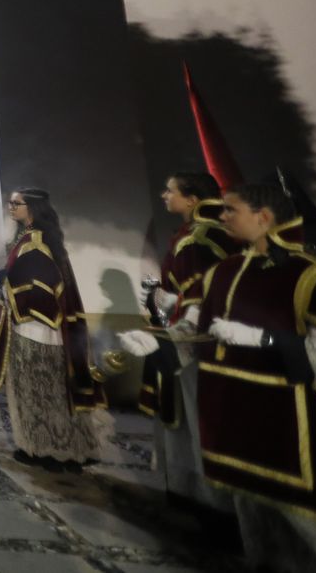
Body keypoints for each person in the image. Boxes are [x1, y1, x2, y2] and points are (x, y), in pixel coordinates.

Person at [195, 182, 316, 573]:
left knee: (315, 538)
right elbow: (205, 339)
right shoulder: (222, 272)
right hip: (236, 424)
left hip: (293, 427)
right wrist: (164, 344)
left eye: (231, 210)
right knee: (256, 530)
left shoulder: (311, 277)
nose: (222, 217)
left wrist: (264, 339)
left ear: (264, 217)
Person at [117, 171, 237, 510]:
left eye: (170, 191)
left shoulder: (196, 241)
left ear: (193, 198)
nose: (164, 196)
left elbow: (199, 302)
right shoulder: (211, 234)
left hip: (192, 345)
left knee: (191, 420)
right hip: (206, 340)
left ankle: (199, 497)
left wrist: (166, 316)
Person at [0, 188, 107, 471]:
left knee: (38, 395)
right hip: (44, 332)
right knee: (51, 394)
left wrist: (1, 280)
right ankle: (56, 448)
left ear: (33, 208)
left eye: (17, 204)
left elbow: (39, 289)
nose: (11, 208)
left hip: (34, 332)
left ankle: (45, 450)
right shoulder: (38, 239)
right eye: (10, 203)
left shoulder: (35, 242)